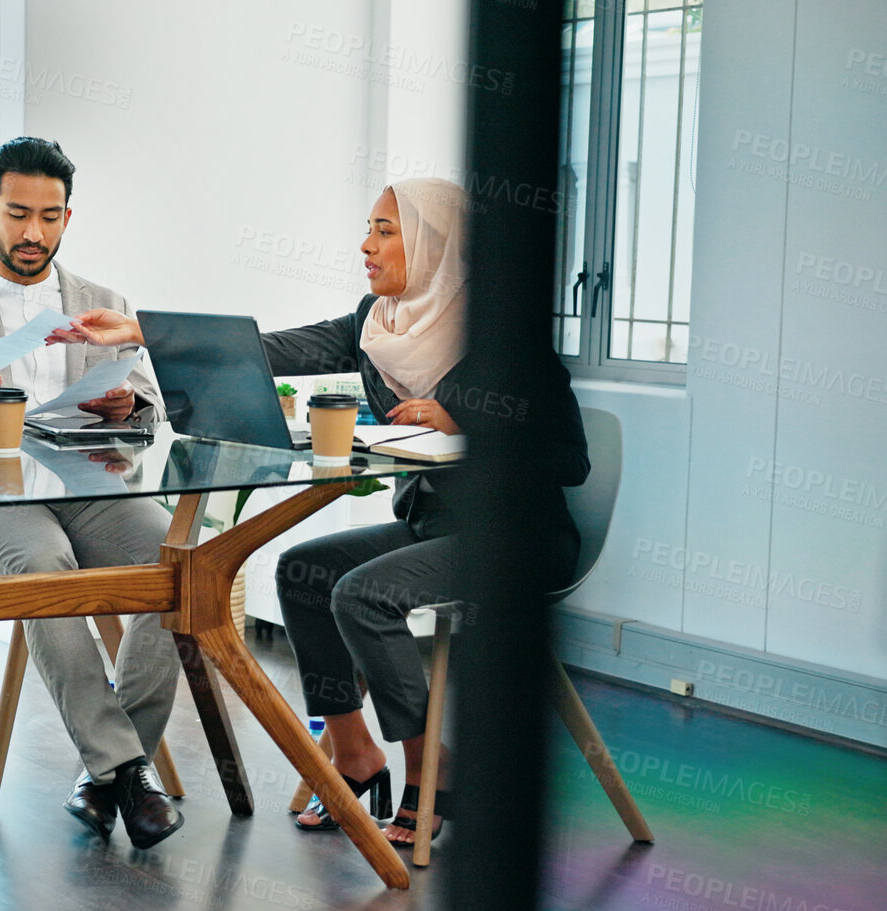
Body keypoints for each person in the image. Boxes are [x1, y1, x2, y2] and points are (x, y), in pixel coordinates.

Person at [55, 178, 588, 846]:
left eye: (385, 231)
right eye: (368, 228)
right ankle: (355, 750)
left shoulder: (505, 337)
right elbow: (267, 348)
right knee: (301, 571)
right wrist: (140, 331)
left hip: (517, 536)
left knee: (364, 594)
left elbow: (569, 458)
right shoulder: (377, 322)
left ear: (435, 245)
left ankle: (431, 766)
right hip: (433, 525)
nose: (365, 245)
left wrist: (468, 423)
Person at [0, 137, 185, 849]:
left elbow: (151, 404)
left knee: (179, 560)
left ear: (67, 216)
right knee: (42, 566)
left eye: (50, 216)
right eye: (18, 214)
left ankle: (108, 772)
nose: (33, 233)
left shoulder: (106, 302)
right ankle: (127, 770)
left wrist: (128, 407)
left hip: (89, 483)